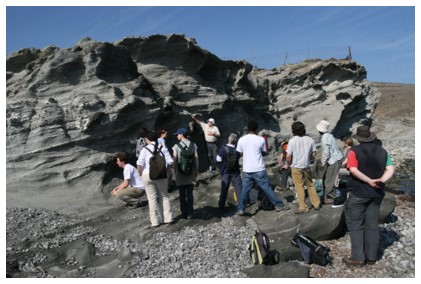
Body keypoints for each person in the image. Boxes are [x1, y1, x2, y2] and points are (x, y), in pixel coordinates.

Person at [342, 125, 395, 266]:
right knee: (372, 224)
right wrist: (381, 180)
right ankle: (372, 257)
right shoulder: (383, 151)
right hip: (377, 193)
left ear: (358, 139)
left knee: (355, 225)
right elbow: (391, 169)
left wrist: (369, 181)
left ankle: (358, 257)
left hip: (359, 192)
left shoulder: (354, 151)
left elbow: (353, 170)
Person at [236, 121, 289, 215]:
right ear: (257, 129)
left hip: (247, 169)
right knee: (266, 188)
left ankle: (241, 208)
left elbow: (239, 153)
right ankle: (279, 205)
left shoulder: (241, 139)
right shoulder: (261, 139)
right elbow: (264, 152)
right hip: (258, 168)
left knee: (245, 189)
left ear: (247, 129)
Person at [137, 131, 174, 228]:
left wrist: (140, 175)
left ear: (147, 139)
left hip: (147, 175)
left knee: (152, 199)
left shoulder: (144, 149)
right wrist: (166, 170)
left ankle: (155, 222)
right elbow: (170, 162)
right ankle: (168, 219)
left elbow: (139, 164)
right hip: (161, 175)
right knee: (164, 196)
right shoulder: (163, 148)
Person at [286, 121, 321, 214]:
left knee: (299, 187)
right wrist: (310, 159)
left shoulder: (292, 140)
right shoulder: (310, 139)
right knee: (310, 185)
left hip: (296, 166)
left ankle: (303, 207)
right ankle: (316, 204)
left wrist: (288, 163)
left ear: (294, 130)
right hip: (306, 165)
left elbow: (288, 156)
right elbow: (314, 153)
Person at [172, 127, 199, 219]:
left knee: (182, 194)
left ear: (181, 134)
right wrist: (196, 171)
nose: (177, 136)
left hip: (180, 172)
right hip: (190, 171)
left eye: (177, 134)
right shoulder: (193, 145)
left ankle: (184, 213)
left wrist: (174, 171)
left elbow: (175, 160)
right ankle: (190, 213)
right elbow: (196, 159)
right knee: (190, 194)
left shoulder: (176, 146)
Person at [316, 120, 343, 204]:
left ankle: (327, 196)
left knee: (328, 180)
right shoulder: (329, 135)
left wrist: (323, 162)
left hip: (333, 160)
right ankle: (327, 195)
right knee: (329, 178)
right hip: (337, 158)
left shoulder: (324, 138)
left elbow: (326, 152)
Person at [216, 133, 242, 209]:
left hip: (226, 171)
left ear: (229, 139)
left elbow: (218, 160)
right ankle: (241, 205)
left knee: (224, 188)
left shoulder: (223, 149)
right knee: (238, 188)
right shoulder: (237, 150)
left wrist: (221, 168)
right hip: (235, 171)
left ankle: (221, 205)